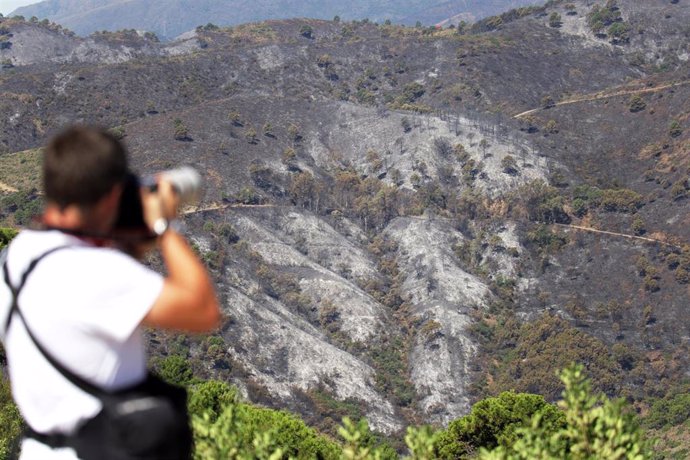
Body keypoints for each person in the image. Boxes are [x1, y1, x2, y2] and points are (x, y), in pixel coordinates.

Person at [0, 125, 220, 459]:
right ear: (113, 196)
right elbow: (202, 310)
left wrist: (128, 241)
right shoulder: (93, 273)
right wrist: (163, 227)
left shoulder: (15, 256)